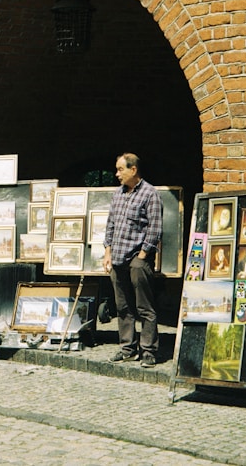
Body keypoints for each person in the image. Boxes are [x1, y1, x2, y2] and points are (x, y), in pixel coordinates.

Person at [103, 153, 163, 368]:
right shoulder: (117, 194)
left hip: (138, 260)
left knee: (144, 307)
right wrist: (107, 251)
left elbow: (155, 229)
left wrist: (143, 256)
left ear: (133, 169)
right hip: (117, 258)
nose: (117, 174)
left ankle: (148, 350)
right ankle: (128, 348)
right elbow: (110, 224)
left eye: (120, 169)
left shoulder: (150, 194)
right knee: (123, 307)